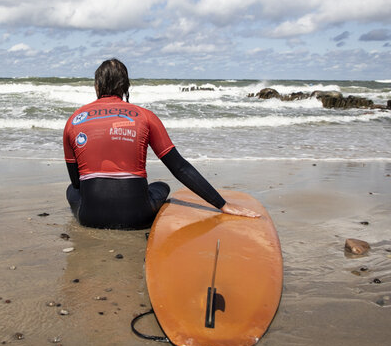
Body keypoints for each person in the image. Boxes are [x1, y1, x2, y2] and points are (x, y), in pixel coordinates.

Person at [63, 58, 260, 229]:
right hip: (138, 217)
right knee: (161, 186)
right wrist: (222, 204)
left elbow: (76, 182)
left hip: (90, 218)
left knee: (71, 190)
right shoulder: (145, 116)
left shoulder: (74, 119)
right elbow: (179, 167)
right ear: (125, 86)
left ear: (97, 86)